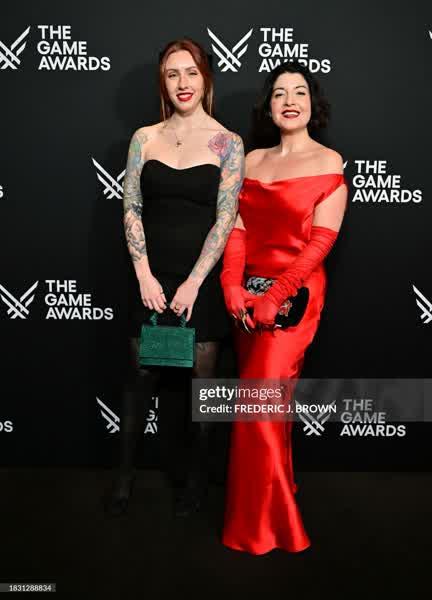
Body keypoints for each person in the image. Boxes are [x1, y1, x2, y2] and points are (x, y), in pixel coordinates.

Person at [103, 38, 244, 518]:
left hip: (199, 282)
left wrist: (194, 283)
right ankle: (124, 477)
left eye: (191, 72)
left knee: (203, 386)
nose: (183, 83)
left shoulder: (228, 143)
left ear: (206, 77)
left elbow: (225, 218)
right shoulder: (144, 138)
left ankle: (196, 483)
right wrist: (144, 275)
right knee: (140, 378)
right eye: (172, 73)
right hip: (150, 277)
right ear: (162, 82)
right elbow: (131, 207)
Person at [220, 60, 348, 554]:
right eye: (279, 93)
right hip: (248, 297)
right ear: (268, 106)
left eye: (299, 92)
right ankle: (270, 502)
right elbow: (236, 228)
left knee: (258, 406)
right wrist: (232, 283)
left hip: (295, 296)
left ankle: (269, 527)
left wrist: (277, 295)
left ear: (313, 104)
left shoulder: (329, 161)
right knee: (266, 408)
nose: (289, 101)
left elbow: (320, 244)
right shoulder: (251, 161)